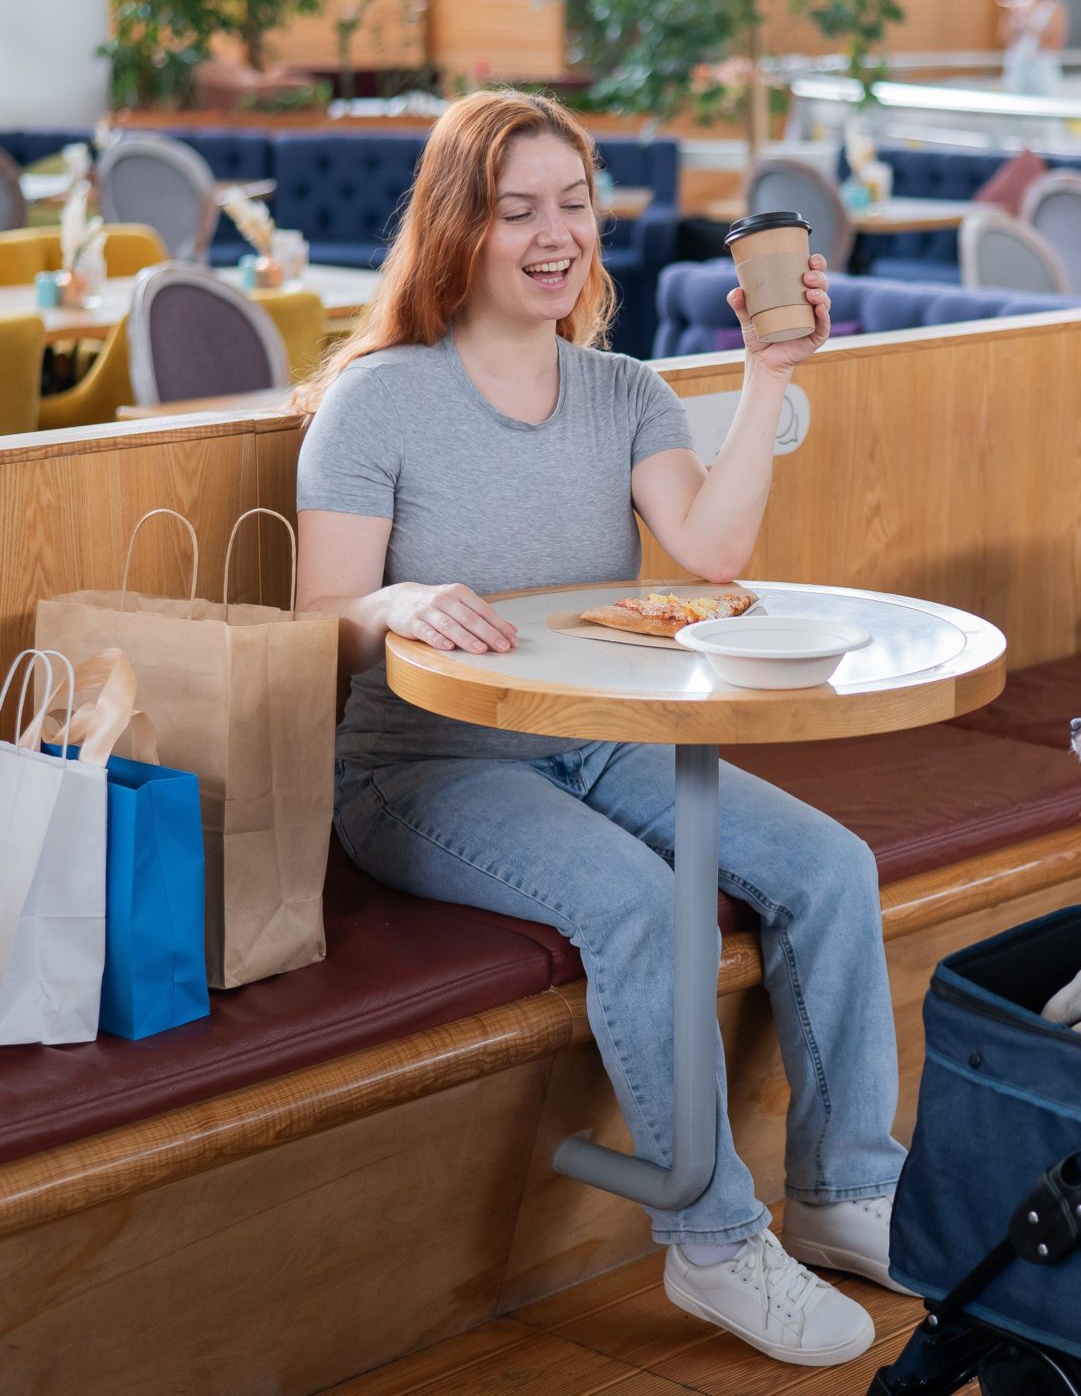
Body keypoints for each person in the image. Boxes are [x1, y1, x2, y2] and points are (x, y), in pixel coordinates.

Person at [294, 90, 904, 1369]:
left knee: (831, 867)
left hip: (605, 739)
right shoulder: (376, 402)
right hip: (426, 767)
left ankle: (846, 1192)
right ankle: (716, 1243)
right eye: (518, 210)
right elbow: (322, 620)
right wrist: (398, 599)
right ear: (459, 229)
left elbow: (716, 550)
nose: (554, 233)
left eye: (573, 203)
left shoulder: (624, 390)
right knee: (646, 906)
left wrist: (764, 375)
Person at [998, 0, 1066, 99]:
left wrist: (1029, 25)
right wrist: (1015, 20)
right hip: (1017, 68)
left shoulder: (1054, 7)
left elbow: (1055, 44)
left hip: (1042, 70)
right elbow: (1002, 38)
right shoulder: (1016, 5)